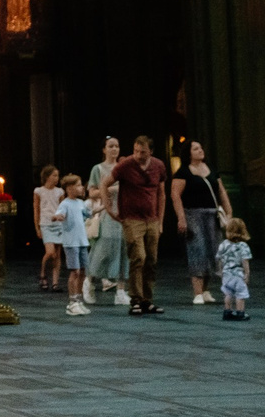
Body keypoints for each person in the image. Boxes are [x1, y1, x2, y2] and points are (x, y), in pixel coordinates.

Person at [110, 135, 167, 315]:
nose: (138, 155)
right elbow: (104, 184)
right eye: (135, 151)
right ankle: (135, 298)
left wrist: (160, 221)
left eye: (142, 152)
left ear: (150, 151)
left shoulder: (158, 166)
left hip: (151, 218)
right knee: (138, 257)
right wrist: (109, 209)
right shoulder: (125, 165)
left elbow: (161, 194)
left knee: (151, 259)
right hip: (132, 218)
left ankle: (146, 300)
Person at [169, 140, 231, 305]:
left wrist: (229, 212)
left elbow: (221, 190)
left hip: (212, 214)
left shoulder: (210, 169)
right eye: (196, 149)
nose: (200, 150)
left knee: (213, 250)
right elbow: (175, 196)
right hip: (193, 215)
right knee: (197, 250)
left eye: (201, 148)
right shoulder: (183, 172)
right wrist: (181, 218)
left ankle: (205, 290)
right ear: (188, 153)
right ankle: (197, 292)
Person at [83, 135, 128, 304]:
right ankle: (89, 282)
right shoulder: (98, 169)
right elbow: (92, 192)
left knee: (124, 251)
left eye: (116, 146)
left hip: (124, 212)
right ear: (104, 149)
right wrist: (112, 189)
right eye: (110, 146)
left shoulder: (123, 167)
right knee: (102, 250)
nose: (114, 149)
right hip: (107, 213)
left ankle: (121, 291)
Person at [55, 179, 93, 316]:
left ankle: (78, 299)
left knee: (82, 271)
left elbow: (89, 214)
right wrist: (58, 217)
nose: (81, 187)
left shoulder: (80, 203)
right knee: (75, 272)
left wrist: (105, 206)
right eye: (78, 185)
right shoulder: (65, 204)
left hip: (82, 241)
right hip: (71, 243)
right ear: (69, 188)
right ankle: (72, 303)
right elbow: (60, 214)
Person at [32, 165, 65, 294]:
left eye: (57, 176)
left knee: (57, 255)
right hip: (45, 223)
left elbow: (63, 207)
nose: (56, 178)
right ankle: (43, 273)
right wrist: (37, 227)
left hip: (58, 224)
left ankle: (55, 283)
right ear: (47, 177)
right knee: (50, 252)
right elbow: (36, 209)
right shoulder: (39, 191)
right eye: (54, 175)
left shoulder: (59, 192)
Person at [216, 217, 253, 321]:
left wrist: (220, 271)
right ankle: (240, 312)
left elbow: (219, 259)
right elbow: (245, 261)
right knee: (240, 294)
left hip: (226, 274)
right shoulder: (243, 246)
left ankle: (227, 311)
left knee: (228, 293)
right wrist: (247, 273)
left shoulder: (223, 244)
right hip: (238, 274)